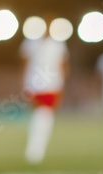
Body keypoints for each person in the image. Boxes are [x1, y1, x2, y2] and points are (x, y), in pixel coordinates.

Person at [20, 18, 69, 164]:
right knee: (39, 116)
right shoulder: (30, 43)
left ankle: (36, 149)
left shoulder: (58, 44)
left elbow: (63, 66)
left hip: (52, 85)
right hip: (34, 85)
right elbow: (24, 64)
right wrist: (24, 84)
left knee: (45, 116)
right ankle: (35, 149)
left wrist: (61, 86)